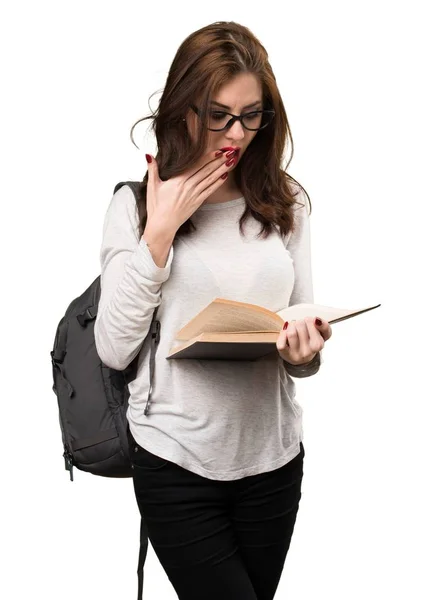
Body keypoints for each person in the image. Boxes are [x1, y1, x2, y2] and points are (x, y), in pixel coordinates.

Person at [95, 20, 332, 600]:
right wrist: (162, 229)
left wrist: (305, 353)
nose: (237, 132)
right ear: (184, 108)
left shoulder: (286, 199)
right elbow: (113, 346)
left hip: (274, 461)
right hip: (175, 459)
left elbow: (299, 321)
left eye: (253, 115)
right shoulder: (135, 204)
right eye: (219, 113)